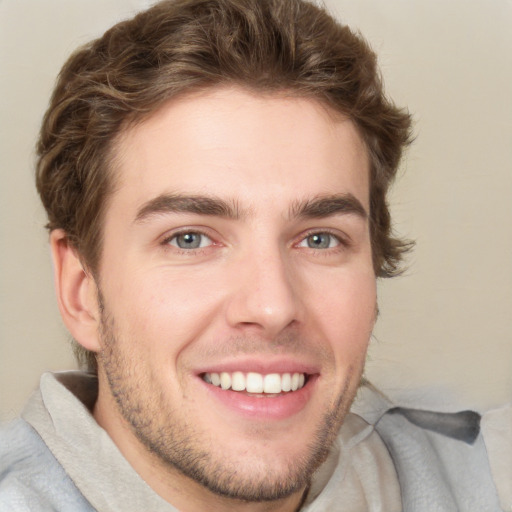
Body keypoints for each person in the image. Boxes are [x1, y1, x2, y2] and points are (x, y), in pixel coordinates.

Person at [0, 0, 506, 510]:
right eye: (190, 239)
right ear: (81, 291)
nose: (271, 307)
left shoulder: (485, 478)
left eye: (319, 239)